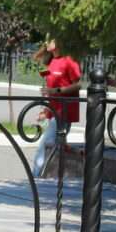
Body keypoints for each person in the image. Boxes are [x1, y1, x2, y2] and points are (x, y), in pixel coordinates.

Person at [32, 40, 82, 177]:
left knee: (45, 146)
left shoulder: (69, 60)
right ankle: (54, 177)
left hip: (64, 112)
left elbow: (78, 85)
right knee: (55, 147)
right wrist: (44, 110)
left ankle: (35, 177)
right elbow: (49, 88)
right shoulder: (52, 61)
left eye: (50, 39)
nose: (47, 42)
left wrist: (57, 90)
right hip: (53, 111)